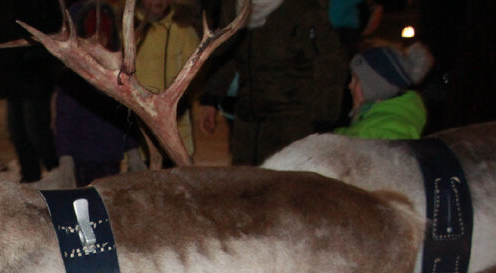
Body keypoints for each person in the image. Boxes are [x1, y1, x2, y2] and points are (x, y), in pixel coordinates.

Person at [197, 0, 347, 165]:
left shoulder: (303, 10)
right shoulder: (237, 8)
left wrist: (323, 119)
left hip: (291, 122)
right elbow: (227, 52)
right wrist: (211, 98)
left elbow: (329, 65)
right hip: (248, 121)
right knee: (248, 183)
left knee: (285, 185)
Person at [52, 1, 138, 186]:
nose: (99, 43)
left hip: (111, 158)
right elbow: (65, 119)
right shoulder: (72, 79)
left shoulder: (117, 74)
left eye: (104, 37)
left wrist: (132, 150)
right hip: (82, 159)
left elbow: (125, 115)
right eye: (91, 38)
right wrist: (65, 157)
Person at [0, 0, 62, 183]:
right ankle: (30, 180)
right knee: (17, 131)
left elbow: (52, 29)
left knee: (36, 131)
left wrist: (34, 57)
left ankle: (58, 174)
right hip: (12, 74)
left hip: (34, 74)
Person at [134, 0, 201, 161]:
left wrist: (183, 101)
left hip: (177, 129)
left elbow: (197, 75)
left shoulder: (183, 29)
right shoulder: (127, 30)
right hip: (140, 130)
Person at [333, 43, 432, 139]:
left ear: (376, 87)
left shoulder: (384, 132)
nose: (350, 85)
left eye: (356, 80)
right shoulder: (376, 118)